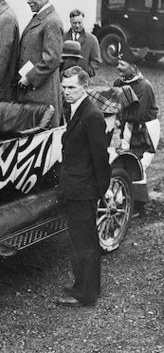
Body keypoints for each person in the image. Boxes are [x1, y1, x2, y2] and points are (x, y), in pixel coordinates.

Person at [56, 66, 110, 307]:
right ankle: (86, 287)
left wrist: (100, 191)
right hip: (77, 186)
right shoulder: (77, 109)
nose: (66, 92)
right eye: (64, 87)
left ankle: (85, 295)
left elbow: (101, 159)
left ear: (84, 88)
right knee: (81, 241)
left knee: (84, 243)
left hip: (84, 189)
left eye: (72, 88)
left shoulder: (91, 116)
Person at [113, 43, 159, 217]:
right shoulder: (119, 82)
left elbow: (136, 116)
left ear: (133, 67)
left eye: (122, 65)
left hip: (145, 128)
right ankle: (128, 201)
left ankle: (139, 207)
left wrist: (118, 119)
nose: (118, 67)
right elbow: (114, 105)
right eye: (118, 63)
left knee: (138, 164)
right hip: (127, 126)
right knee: (124, 160)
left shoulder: (144, 87)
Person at [17, 0, 64, 126]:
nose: (28, 1)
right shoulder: (41, 17)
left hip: (42, 90)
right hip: (34, 89)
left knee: (42, 130)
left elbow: (52, 58)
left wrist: (29, 78)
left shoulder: (51, 21)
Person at [64, 9, 100, 78]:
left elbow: (95, 61)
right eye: (74, 23)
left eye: (80, 23)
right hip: (65, 78)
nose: (77, 26)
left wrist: (87, 73)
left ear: (83, 22)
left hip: (83, 79)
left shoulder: (92, 39)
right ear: (70, 22)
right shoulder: (63, 37)